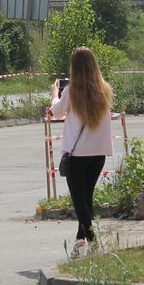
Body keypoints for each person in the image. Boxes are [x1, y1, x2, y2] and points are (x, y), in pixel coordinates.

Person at [49, 47, 113, 258]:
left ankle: (94, 241)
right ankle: (79, 241)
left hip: (78, 155)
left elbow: (56, 112)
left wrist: (55, 94)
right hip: (99, 153)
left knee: (79, 201)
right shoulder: (104, 89)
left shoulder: (71, 91)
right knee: (86, 198)